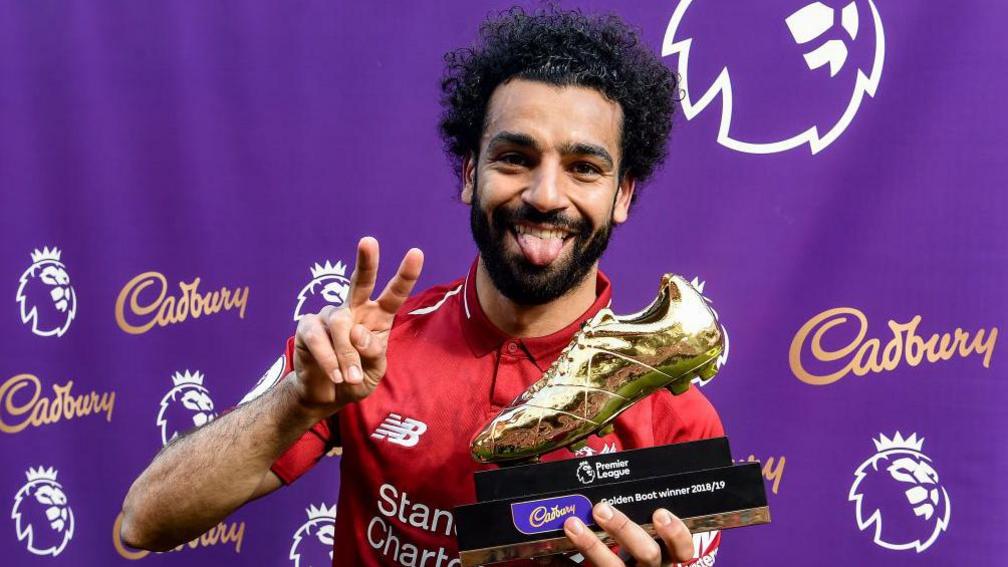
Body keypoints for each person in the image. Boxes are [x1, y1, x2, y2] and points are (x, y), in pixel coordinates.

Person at [120, 6, 725, 566]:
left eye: (584, 169)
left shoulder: (676, 416)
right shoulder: (372, 348)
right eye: (514, 157)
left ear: (622, 195)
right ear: (470, 174)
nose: (545, 195)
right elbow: (142, 523)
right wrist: (298, 402)